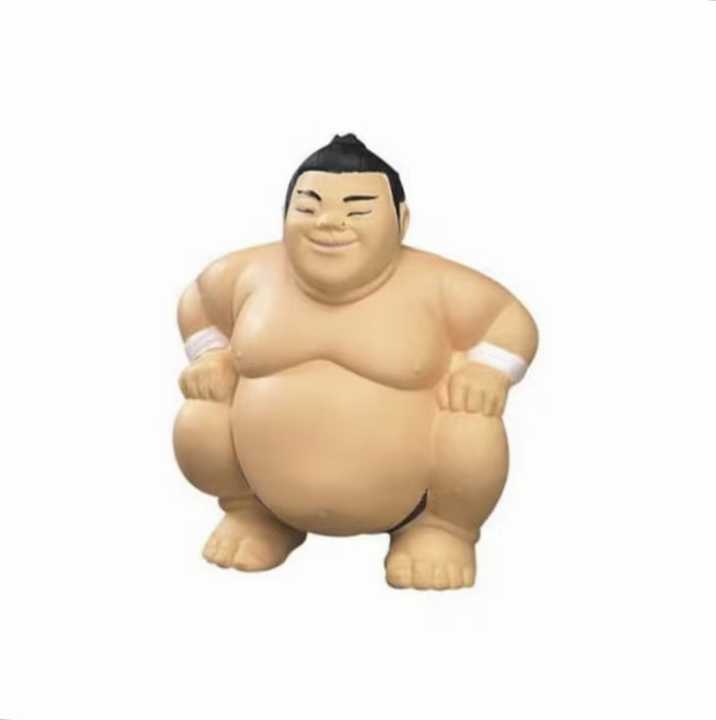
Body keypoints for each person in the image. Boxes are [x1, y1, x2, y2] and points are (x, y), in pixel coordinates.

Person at [173, 134, 538, 590]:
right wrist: (211, 356)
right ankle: (253, 516)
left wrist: (488, 372)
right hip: (262, 494)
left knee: (471, 424)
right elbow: (196, 303)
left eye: (357, 209)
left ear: (401, 220)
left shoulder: (436, 284)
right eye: (308, 207)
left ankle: (443, 531)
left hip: (417, 503)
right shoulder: (249, 273)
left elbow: (510, 320)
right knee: (202, 414)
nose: (329, 222)